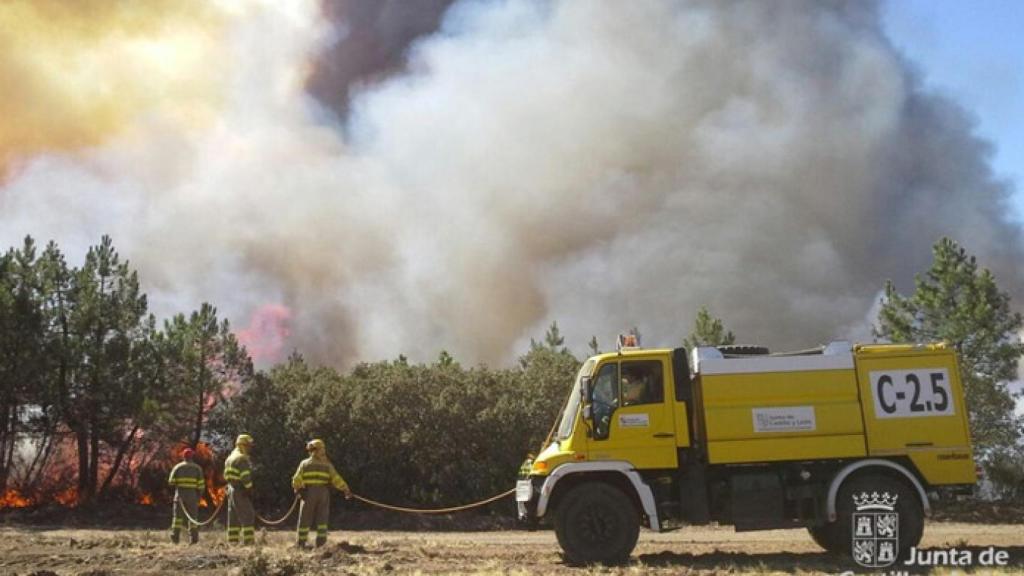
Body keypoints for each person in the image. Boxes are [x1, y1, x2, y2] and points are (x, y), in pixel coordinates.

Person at [291, 439, 351, 548]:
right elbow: (336, 478)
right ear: (321, 450)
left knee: (305, 518)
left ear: (312, 450)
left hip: (308, 493)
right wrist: (345, 489)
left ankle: (301, 543)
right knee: (322, 518)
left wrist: (298, 489)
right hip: (323, 493)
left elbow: (296, 479)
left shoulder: (304, 463)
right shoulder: (327, 465)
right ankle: (321, 544)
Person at [168, 447, 204, 544]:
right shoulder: (197, 468)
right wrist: (198, 497)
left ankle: (175, 538)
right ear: (192, 456)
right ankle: (194, 540)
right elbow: (201, 485)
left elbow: (171, 482)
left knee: (177, 519)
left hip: (179, 496)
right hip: (192, 496)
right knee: (193, 518)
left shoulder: (177, 467)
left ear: (183, 457)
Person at [224, 434, 256, 545]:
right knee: (248, 514)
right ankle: (248, 541)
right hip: (239, 490)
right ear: (243, 445)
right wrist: (249, 488)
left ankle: (232, 541)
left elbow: (226, 475)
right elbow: (245, 476)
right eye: (248, 446)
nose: (250, 448)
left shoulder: (230, 458)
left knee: (233, 517)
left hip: (230, 488)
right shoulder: (241, 458)